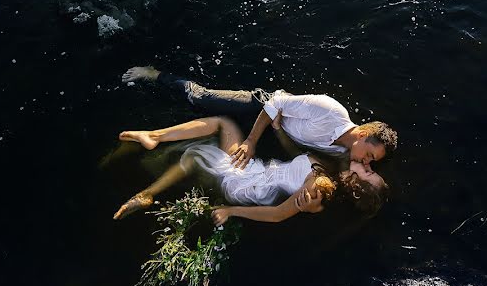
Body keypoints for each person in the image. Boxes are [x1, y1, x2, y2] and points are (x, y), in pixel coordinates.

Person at [111, 115, 389, 226]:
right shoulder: (329, 166)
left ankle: (147, 193)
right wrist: (278, 129)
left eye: (369, 172)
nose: (367, 165)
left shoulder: (320, 189)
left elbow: (278, 214)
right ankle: (154, 136)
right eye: (370, 164)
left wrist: (231, 210)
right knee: (225, 125)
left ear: (356, 185)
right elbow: (297, 157)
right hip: (259, 171)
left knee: (196, 155)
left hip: (249, 186)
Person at [121, 66, 398, 169]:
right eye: (370, 156)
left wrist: (277, 132)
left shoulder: (340, 152)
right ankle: (155, 74)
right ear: (363, 134)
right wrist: (252, 141)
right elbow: (275, 104)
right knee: (200, 99)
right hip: (264, 105)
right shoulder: (330, 110)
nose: (366, 162)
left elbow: (296, 152)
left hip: (277, 128)